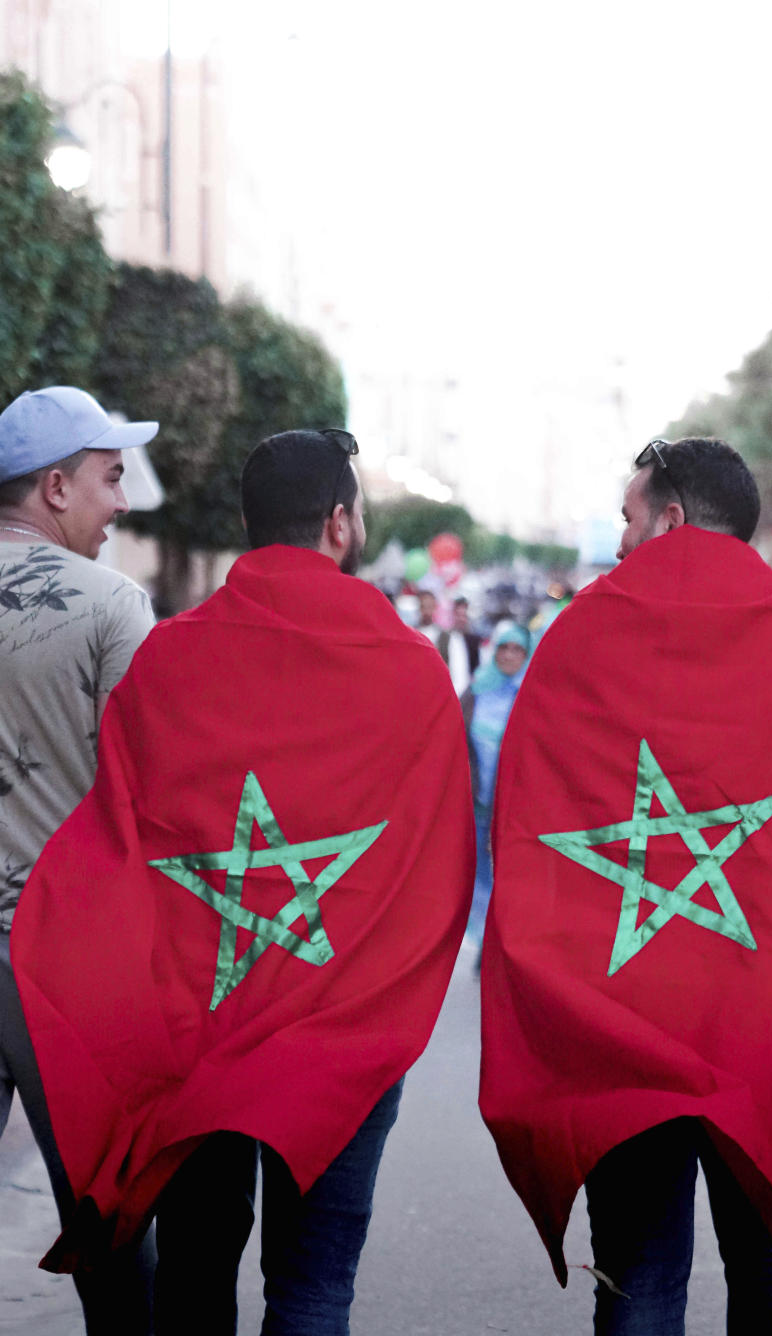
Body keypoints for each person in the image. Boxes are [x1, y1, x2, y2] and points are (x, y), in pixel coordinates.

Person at [12, 428, 474, 1335]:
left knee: (192, 1280)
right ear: (339, 524)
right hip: (345, 1033)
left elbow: (119, 846)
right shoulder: (411, 668)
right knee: (313, 1289)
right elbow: (441, 858)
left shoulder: (168, 660)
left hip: (194, 1036)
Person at [479, 437, 772, 1333]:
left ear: (672, 519)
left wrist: (544, 984)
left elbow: (528, 835)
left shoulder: (576, 643)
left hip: (620, 1030)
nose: (622, 539)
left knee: (640, 1278)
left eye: (631, 519)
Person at [0, 385, 159, 1333]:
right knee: (109, 1218)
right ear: (55, 488)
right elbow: (149, 789)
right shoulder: (110, 605)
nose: (124, 502)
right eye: (109, 479)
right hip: (65, 966)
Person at [460, 621, 531, 956]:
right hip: (475, 804)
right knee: (476, 873)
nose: (509, 655)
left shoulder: (533, 694)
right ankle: (482, 938)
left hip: (515, 805)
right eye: (504, 647)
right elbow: (454, 738)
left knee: (509, 876)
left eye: (518, 649)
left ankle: (498, 941)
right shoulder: (476, 690)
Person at [438, 596, 482, 695]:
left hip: (467, 694)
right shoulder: (444, 637)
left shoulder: (473, 640)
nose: (461, 619)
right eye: (458, 615)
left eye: (464, 615)